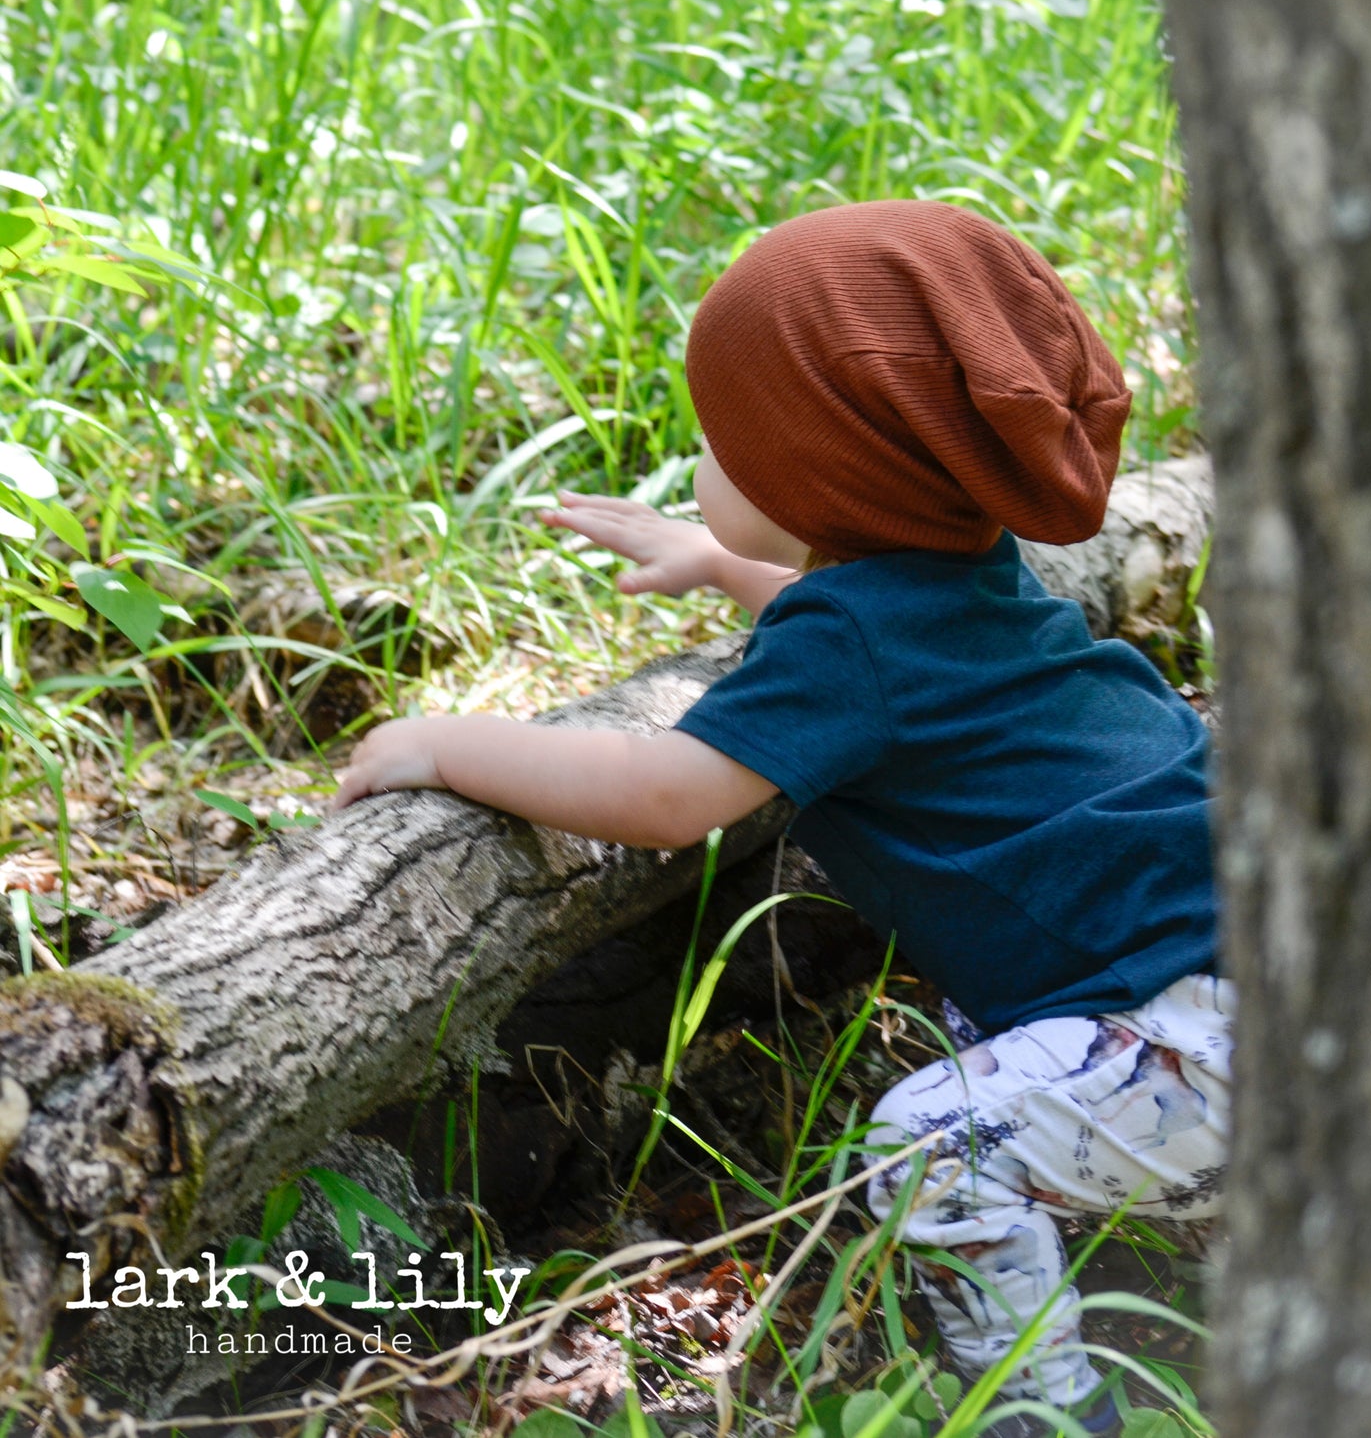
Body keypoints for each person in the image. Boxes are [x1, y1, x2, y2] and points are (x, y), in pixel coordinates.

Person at [334, 200, 1230, 1437]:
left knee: (929, 1144)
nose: (703, 460)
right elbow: (871, 616)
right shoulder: (957, 575)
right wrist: (716, 558)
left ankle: (1043, 1407)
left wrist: (448, 741)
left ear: (823, 472)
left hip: (1196, 1029)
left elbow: (668, 797)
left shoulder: (846, 642)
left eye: (721, 436)